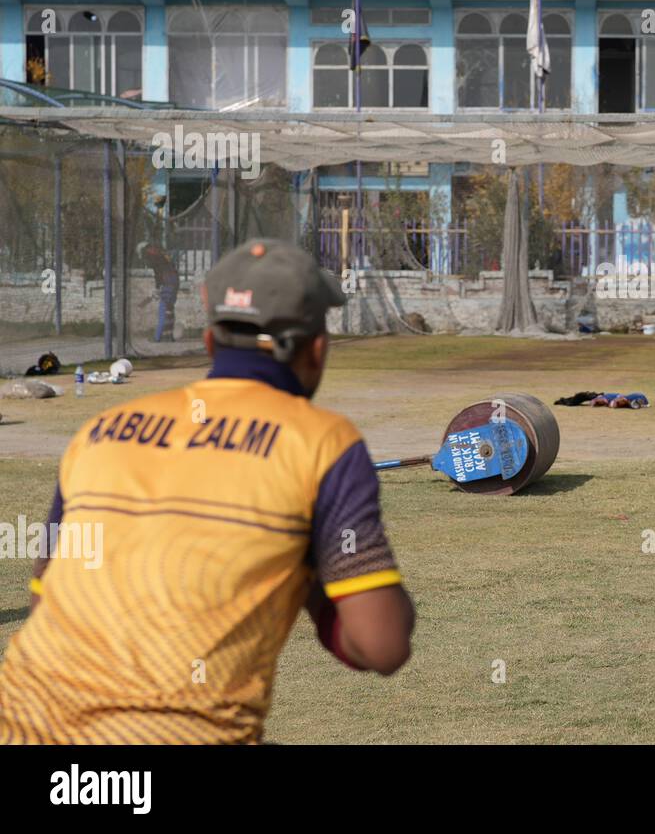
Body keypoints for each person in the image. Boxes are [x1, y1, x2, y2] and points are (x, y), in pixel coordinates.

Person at [0, 239, 415, 743]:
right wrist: (310, 585)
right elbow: (382, 644)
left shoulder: (100, 430)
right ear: (318, 347)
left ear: (210, 341)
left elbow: (46, 603)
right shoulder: (324, 444)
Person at [137, 241, 180, 343]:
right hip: (174, 282)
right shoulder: (161, 254)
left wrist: (158, 287)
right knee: (169, 310)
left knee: (163, 310)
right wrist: (159, 288)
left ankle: (157, 337)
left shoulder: (154, 257)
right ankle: (169, 336)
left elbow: (158, 273)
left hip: (168, 283)